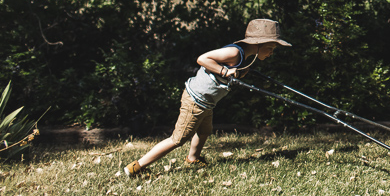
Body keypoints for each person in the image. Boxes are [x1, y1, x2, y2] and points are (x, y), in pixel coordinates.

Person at [124, 18, 291, 177]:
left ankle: (193, 159)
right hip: (195, 100)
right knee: (177, 139)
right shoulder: (234, 52)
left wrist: (238, 72)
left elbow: (231, 70)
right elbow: (202, 59)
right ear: (258, 44)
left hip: (207, 102)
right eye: (270, 48)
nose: (271, 53)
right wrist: (225, 72)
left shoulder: (243, 58)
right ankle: (136, 167)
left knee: (204, 132)